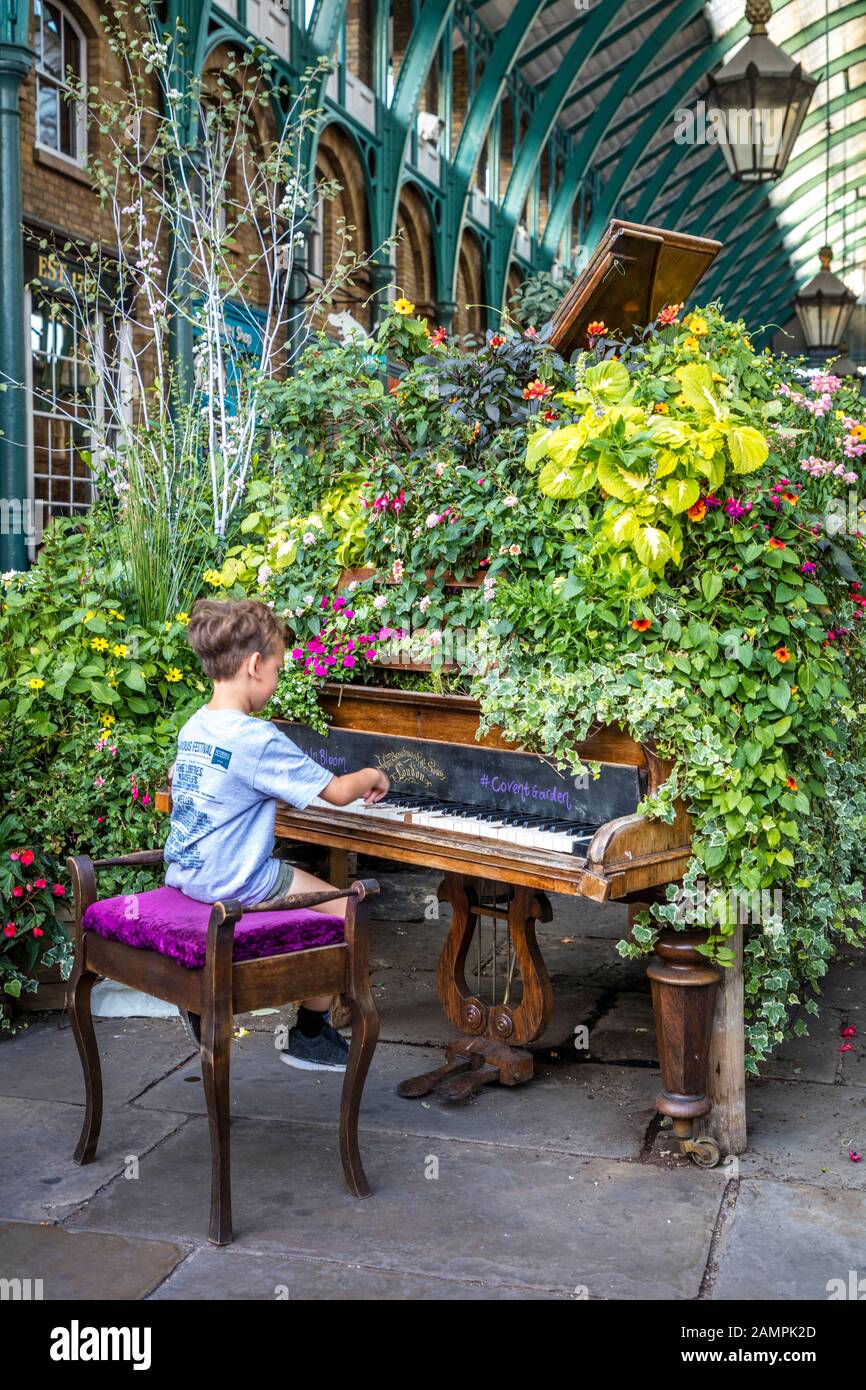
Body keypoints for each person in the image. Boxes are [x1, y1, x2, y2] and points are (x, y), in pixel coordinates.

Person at [164, 597, 389, 1072]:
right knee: (349, 908)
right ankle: (310, 1033)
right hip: (239, 881)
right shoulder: (257, 737)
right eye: (279, 670)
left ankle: (202, 997)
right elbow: (339, 793)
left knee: (309, 887)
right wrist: (372, 774)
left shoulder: (195, 725)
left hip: (190, 874)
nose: (278, 681)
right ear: (254, 665)